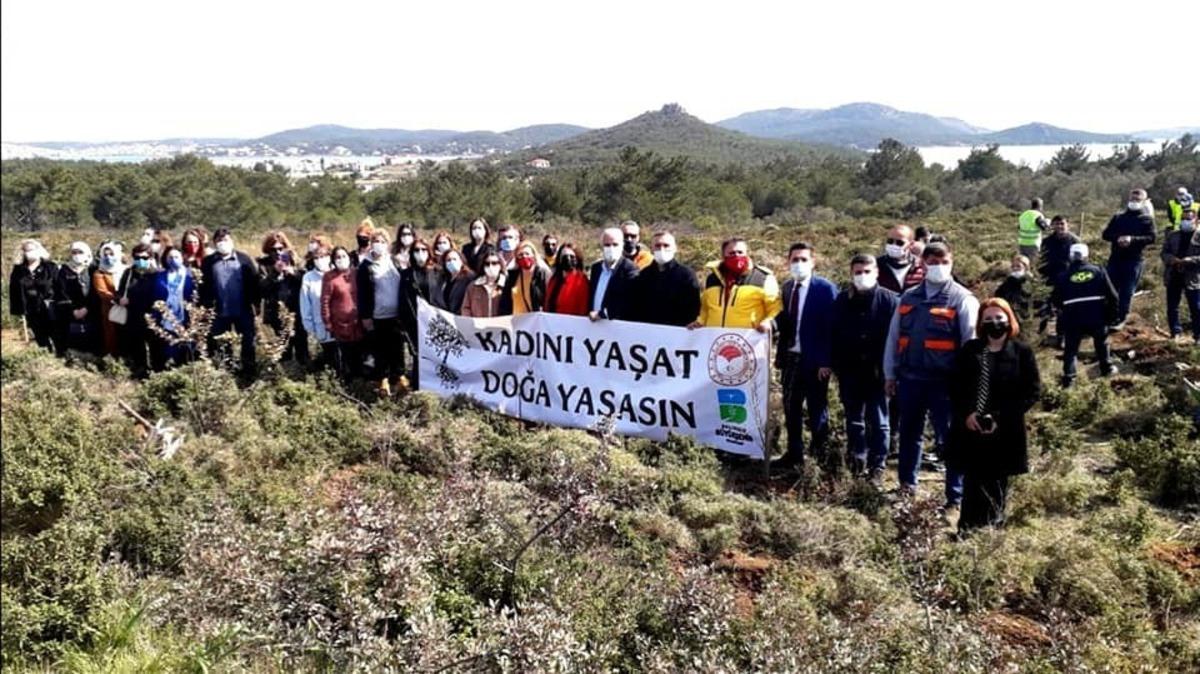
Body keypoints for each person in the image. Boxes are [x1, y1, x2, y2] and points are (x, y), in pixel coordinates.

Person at [884, 242, 978, 515]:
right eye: (932, 261)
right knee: (909, 435)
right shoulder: (908, 298)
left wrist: (967, 385)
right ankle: (906, 487)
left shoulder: (962, 299)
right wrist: (890, 373)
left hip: (946, 384)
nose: (937, 265)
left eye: (943, 260)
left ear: (951, 261)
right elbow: (893, 338)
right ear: (923, 263)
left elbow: (970, 344)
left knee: (949, 440)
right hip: (910, 379)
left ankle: (954, 497)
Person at [948, 298, 1041, 533]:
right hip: (971, 427)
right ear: (980, 322)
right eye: (988, 319)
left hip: (1005, 429)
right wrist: (967, 413)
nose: (994, 323)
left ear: (1009, 320)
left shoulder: (1021, 352)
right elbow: (955, 386)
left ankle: (991, 530)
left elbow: (1031, 391)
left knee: (998, 481)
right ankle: (966, 529)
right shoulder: (971, 350)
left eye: (999, 318)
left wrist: (1001, 417)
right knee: (973, 479)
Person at [831, 254, 899, 482]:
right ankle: (857, 461)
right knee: (854, 420)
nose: (862, 276)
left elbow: (898, 338)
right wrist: (837, 365)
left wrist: (892, 371)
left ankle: (878, 466)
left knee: (879, 422)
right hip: (850, 372)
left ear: (877, 272)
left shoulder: (891, 301)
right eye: (858, 272)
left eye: (867, 271)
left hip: (879, 373)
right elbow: (835, 334)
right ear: (851, 274)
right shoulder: (842, 300)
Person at [771, 243, 838, 471]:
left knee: (817, 408)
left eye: (803, 259)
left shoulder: (825, 289)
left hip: (816, 361)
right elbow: (785, 321)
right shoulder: (788, 287)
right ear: (787, 262)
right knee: (791, 406)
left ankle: (821, 457)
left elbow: (832, 328)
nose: (798, 264)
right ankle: (794, 453)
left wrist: (827, 361)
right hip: (792, 357)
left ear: (813, 262)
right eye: (794, 260)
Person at [1052, 243, 1119, 387]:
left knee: (1071, 350)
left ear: (1070, 256)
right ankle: (1106, 368)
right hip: (1097, 316)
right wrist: (1111, 316)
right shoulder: (1099, 271)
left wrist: (1065, 311)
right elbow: (1113, 296)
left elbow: (1056, 300)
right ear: (1086, 255)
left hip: (1073, 318)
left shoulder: (1062, 276)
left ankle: (1069, 379)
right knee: (1101, 343)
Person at [200, 229, 260, 376]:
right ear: (214, 243)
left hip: (243, 309)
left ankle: (249, 372)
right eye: (219, 241)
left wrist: (256, 304)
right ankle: (227, 372)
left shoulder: (244, 259)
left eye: (225, 240)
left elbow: (254, 282)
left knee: (248, 342)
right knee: (221, 344)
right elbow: (203, 285)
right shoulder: (208, 262)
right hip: (219, 311)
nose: (223, 243)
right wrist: (206, 306)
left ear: (232, 241)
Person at [692, 237, 782, 330]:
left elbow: (775, 308)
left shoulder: (763, 278)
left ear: (747, 254)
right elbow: (705, 310)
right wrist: (700, 322)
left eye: (740, 252)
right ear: (723, 256)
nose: (736, 256)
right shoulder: (713, 279)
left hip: (749, 340)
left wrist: (768, 323)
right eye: (732, 253)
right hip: (716, 340)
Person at [357, 231, 407, 396]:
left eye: (383, 241)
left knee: (397, 348)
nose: (379, 243)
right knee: (380, 349)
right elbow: (362, 294)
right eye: (376, 241)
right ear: (371, 243)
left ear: (388, 243)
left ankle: (399, 377)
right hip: (377, 315)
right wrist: (365, 317)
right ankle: (382, 379)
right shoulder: (365, 266)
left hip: (397, 314)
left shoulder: (394, 261)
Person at [1102, 188, 1157, 328]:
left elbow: (1152, 238)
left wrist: (1132, 239)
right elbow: (1106, 234)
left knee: (1127, 291)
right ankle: (1109, 316)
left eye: (1138, 200)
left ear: (1144, 201)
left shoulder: (1146, 219)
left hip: (1134, 260)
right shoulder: (1118, 217)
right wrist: (1118, 238)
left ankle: (1121, 318)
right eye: (1132, 199)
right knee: (1111, 288)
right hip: (1115, 259)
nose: (1134, 202)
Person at [631, 231, 701, 326]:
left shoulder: (686, 275)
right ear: (651, 249)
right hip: (647, 333)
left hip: (676, 333)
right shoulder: (643, 275)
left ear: (675, 248)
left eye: (666, 245)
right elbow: (636, 307)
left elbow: (693, 309)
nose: (661, 249)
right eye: (657, 246)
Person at [257, 231, 306, 364]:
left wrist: (293, 273)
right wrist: (274, 274)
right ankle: (285, 377)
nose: (278, 252)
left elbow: (305, 281)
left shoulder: (295, 260)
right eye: (274, 250)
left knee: (301, 345)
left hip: (296, 310)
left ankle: (304, 375)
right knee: (283, 349)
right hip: (276, 312)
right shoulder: (264, 265)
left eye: (280, 248)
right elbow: (261, 288)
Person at [117, 243, 162, 377]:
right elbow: (120, 291)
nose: (141, 260)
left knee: (155, 346)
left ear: (151, 257)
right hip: (133, 315)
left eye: (145, 257)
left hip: (152, 315)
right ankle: (140, 370)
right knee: (137, 345)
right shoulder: (129, 273)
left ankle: (157, 372)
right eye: (137, 257)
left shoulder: (157, 274)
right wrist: (120, 299)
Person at [149, 246, 197, 368]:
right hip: (166, 319)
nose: (173, 259)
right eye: (170, 257)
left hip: (186, 318)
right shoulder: (160, 276)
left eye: (176, 257)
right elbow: (155, 296)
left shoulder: (191, 275)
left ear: (182, 258)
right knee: (167, 348)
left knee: (185, 349)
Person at [321, 246, 364, 380]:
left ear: (349, 258)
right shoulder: (329, 277)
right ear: (333, 260)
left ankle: (361, 383)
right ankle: (347, 383)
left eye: (344, 256)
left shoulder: (356, 273)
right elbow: (325, 302)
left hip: (358, 323)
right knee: (345, 357)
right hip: (341, 325)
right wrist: (327, 323)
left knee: (360, 355)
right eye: (337, 257)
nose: (341, 259)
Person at [9, 239, 58, 351]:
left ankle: (59, 354)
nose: (29, 252)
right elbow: (14, 289)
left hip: (49, 306)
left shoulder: (50, 267)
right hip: (30, 307)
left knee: (55, 333)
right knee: (39, 335)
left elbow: (58, 286)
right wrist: (18, 309)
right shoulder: (18, 270)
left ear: (39, 250)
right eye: (27, 250)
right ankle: (46, 355)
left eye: (32, 249)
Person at [53, 241, 99, 356]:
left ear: (87, 253)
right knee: (73, 336)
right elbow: (61, 291)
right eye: (74, 252)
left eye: (80, 252)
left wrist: (87, 308)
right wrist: (73, 310)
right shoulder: (64, 270)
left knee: (93, 335)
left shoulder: (93, 269)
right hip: (71, 310)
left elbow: (95, 291)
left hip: (91, 309)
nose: (77, 255)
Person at [1161, 210, 1200, 343]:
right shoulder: (1173, 235)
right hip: (1173, 275)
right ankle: (1175, 332)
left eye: (1189, 219)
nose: (1185, 222)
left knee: (1196, 307)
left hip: (1193, 277)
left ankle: (1198, 335)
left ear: (1196, 220)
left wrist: (1191, 260)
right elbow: (1164, 252)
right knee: (1172, 306)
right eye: (1183, 219)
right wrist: (1172, 259)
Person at [589, 228, 638, 321]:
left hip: (616, 328)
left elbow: (629, 300)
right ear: (601, 246)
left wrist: (603, 314)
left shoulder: (629, 269)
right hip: (593, 327)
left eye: (615, 244)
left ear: (622, 245)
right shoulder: (596, 268)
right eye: (607, 245)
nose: (611, 248)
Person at [300, 245, 334, 370]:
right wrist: (310, 328)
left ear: (330, 257)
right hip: (320, 328)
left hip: (340, 328)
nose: (320, 260)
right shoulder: (308, 278)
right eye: (317, 257)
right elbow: (305, 305)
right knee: (326, 363)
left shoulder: (337, 273)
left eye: (323, 256)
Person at [92, 241, 127, 358]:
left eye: (111, 254)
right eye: (105, 255)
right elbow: (102, 291)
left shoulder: (125, 270)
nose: (108, 257)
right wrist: (117, 299)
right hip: (110, 309)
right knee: (112, 334)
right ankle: (114, 359)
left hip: (127, 306)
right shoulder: (99, 272)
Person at [500, 240, 549, 315]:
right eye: (520, 255)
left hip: (535, 321)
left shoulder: (542, 274)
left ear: (534, 255)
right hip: (515, 321)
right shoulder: (512, 276)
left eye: (527, 254)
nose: (524, 257)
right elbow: (505, 300)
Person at [876, 225, 925, 294]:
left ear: (911, 244)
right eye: (890, 241)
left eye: (899, 243)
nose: (893, 245)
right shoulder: (876, 265)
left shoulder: (921, 266)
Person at [545, 242, 589, 315]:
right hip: (551, 321)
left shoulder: (581, 280)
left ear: (577, 259)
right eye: (564, 256)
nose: (568, 259)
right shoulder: (554, 280)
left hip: (571, 323)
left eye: (571, 256)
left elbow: (583, 308)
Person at [1037, 215, 1080, 284]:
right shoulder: (1047, 241)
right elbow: (1042, 260)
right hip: (1051, 276)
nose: (1059, 226)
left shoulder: (1075, 241)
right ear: (1052, 226)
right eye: (1057, 224)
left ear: (1067, 225)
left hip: (1069, 276)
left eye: (1062, 224)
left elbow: (1080, 260)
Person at [462, 252, 505, 318]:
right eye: (487, 264)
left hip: (501, 326)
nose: (490, 266)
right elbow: (466, 308)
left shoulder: (507, 285)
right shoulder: (473, 286)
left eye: (494, 263)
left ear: (500, 265)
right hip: (477, 326)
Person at [994, 254, 1033, 323]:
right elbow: (998, 296)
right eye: (1013, 266)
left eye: (1018, 266)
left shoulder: (1029, 282)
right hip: (1009, 316)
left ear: (1026, 268)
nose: (1015, 268)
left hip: (1025, 317)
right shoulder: (1007, 282)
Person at [442, 249, 475, 314]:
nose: (452, 262)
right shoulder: (445, 279)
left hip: (462, 317)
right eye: (448, 260)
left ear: (461, 261)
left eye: (454, 259)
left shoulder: (469, 278)